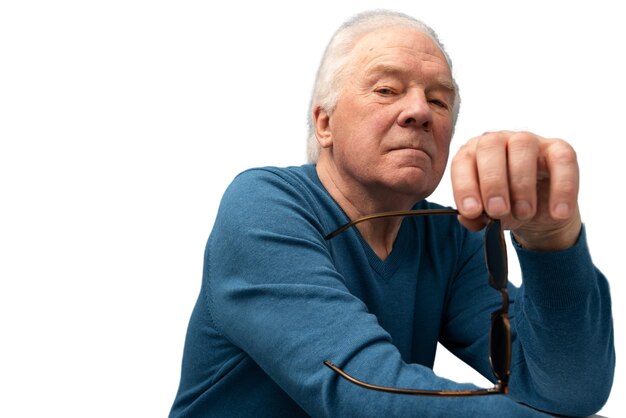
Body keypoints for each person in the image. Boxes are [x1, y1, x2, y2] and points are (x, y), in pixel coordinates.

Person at [168, 9, 614, 417]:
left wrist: (551, 241)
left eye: (439, 101)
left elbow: (567, 390)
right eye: (386, 90)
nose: (420, 111)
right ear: (324, 123)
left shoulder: (453, 238)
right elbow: (365, 391)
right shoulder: (263, 206)